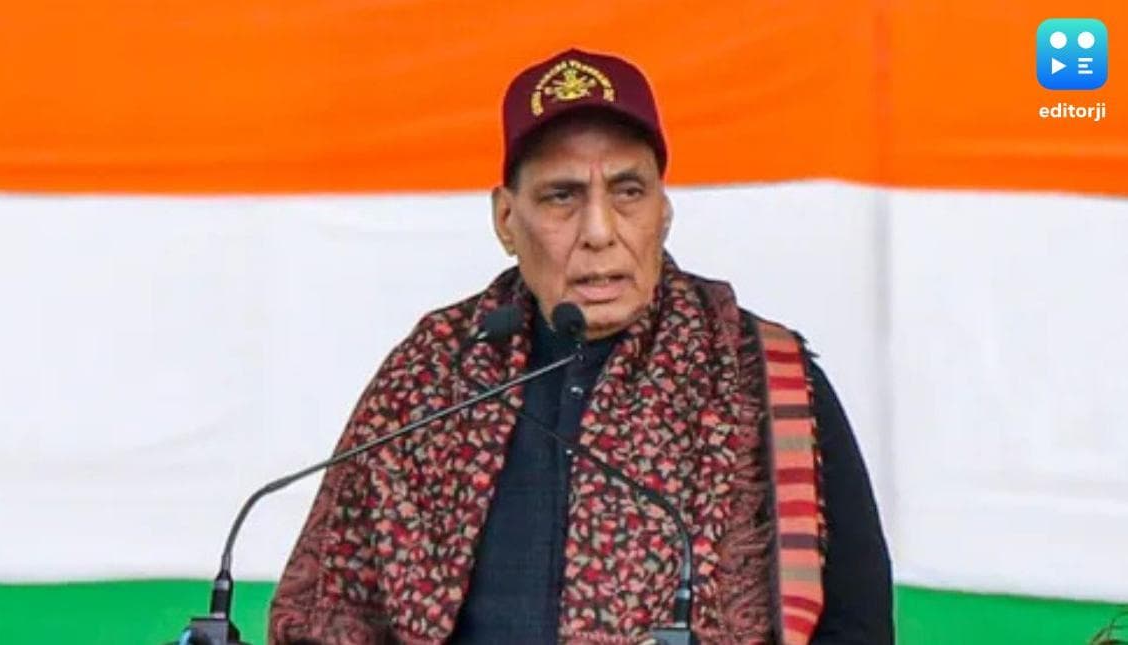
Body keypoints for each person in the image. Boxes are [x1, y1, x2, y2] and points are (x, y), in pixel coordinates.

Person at [269, 48, 892, 645]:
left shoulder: (762, 376)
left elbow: (856, 626)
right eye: (562, 196)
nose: (599, 231)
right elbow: (324, 615)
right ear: (506, 220)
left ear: (663, 211)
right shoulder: (431, 373)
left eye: (628, 191)